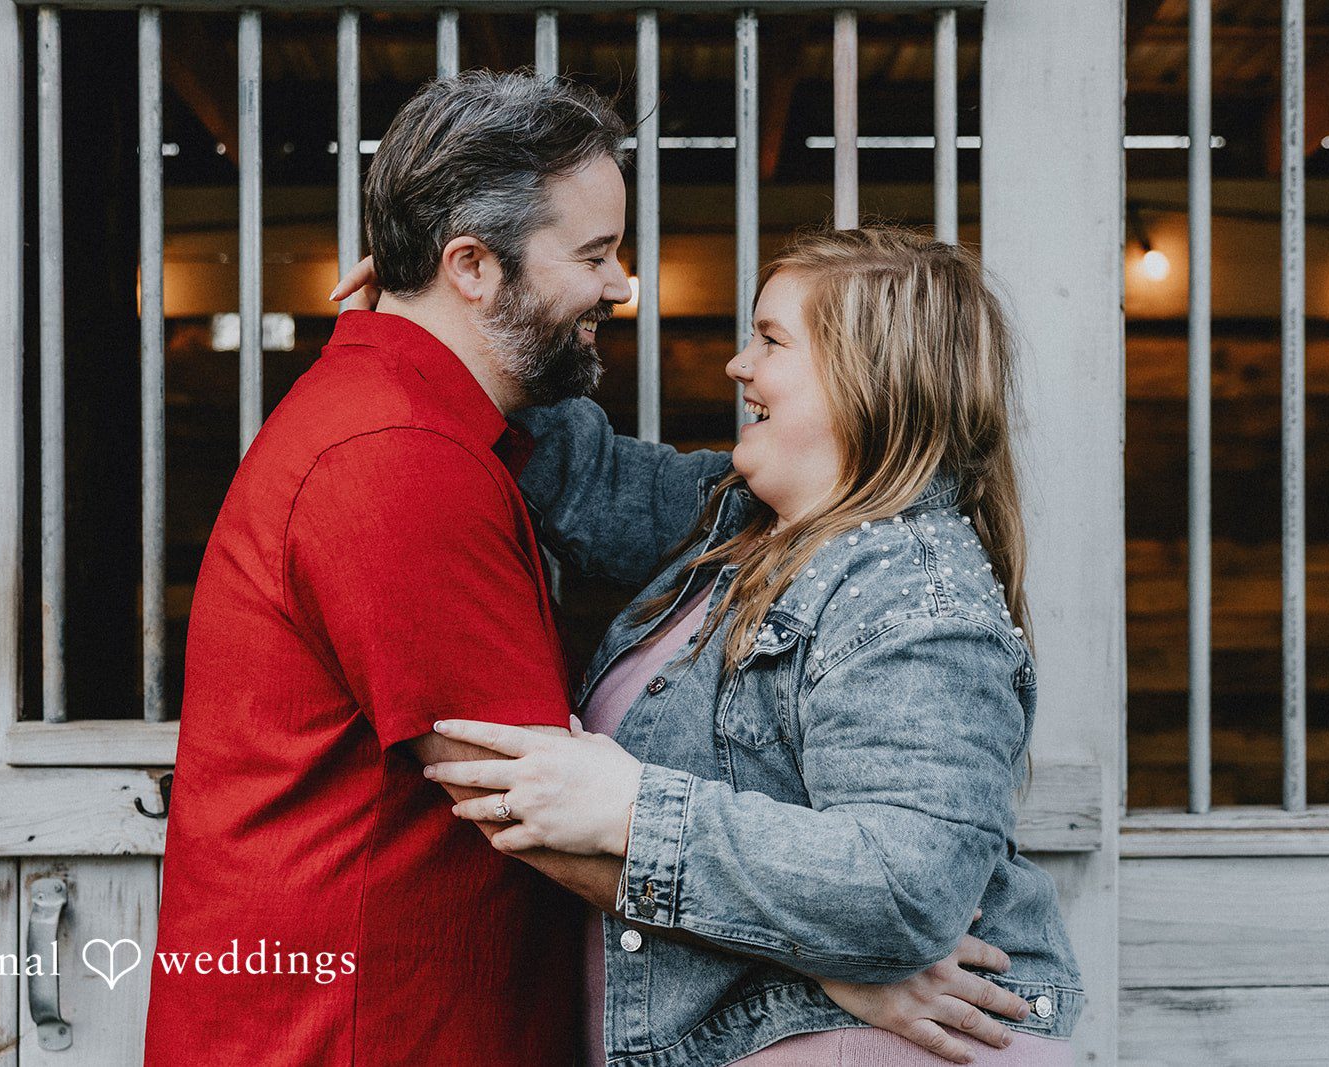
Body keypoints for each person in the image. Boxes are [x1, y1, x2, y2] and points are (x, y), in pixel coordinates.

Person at [154, 67, 1031, 1066]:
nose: (622, 284)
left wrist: (418, 307)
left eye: (769, 340)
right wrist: (836, 960)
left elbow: (599, 481)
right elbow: (530, 801)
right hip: (361, 1033)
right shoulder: (395, 459)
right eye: (597, 253)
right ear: (475, 265)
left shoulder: (800, 537)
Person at [417, 226, 1086, 1064]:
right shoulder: (746, 522)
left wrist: (631, 808)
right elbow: (579, 475)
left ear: (870, 381)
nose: (739, 365)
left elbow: (902, 889)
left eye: (771, 340)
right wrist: (436, 308)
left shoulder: (913, 593)